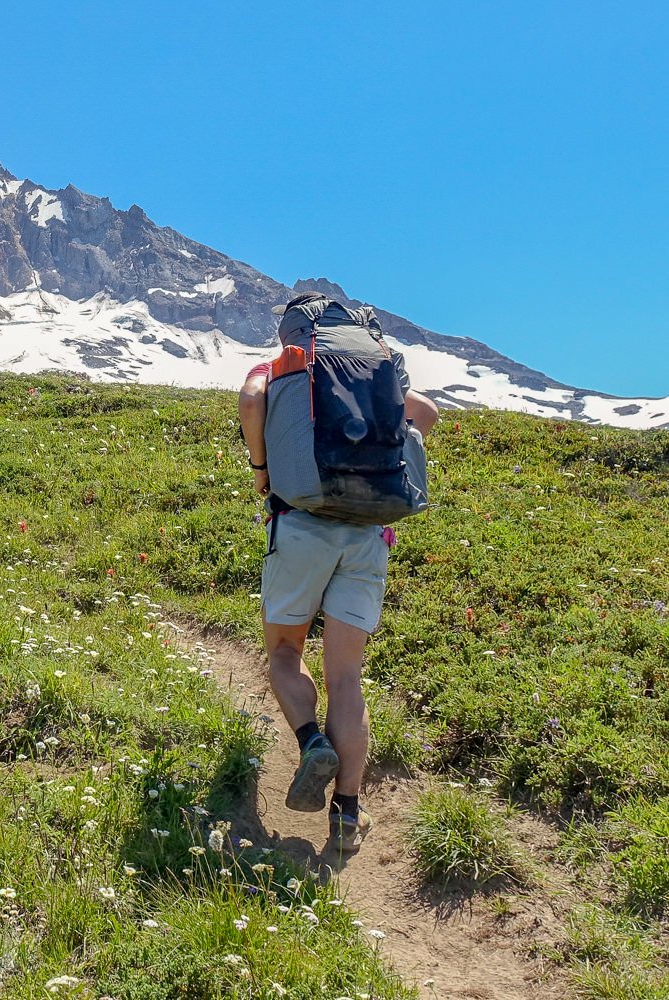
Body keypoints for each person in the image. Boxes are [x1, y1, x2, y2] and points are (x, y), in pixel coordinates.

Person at [238, 292, 439, 850]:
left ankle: (309, 742)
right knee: (346, 678)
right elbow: (427, 414)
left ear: (293, 328)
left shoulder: (286, 363)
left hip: (301, 523)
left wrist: (261, 468)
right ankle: (348, 818)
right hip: (370, 533)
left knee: (284, 652)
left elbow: (252, 400)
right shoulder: (379, 370)